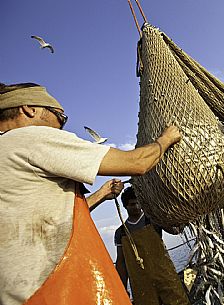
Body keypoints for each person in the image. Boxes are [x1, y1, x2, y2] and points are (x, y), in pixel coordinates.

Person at [0, 82, 181, 305]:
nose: (60, 128)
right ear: (29, 109)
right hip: (61, 292)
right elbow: (138, 163)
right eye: (60, 117)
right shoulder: (30, 138)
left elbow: (52, 219)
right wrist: (167, 139)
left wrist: (102, 193)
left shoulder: (5, 151)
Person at [114, 187, 190, 305]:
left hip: (165, 275)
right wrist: (122, 289)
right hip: (141, 283)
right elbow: (121, 262)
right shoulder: (121, 232)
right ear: (125, 206)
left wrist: (184, 215)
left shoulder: (153, 220)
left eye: (139, 202)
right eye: (133, 204)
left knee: (179, 301)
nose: (137, 206)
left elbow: (175, 230)